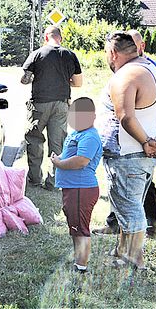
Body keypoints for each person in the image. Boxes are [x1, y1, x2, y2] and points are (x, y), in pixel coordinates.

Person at [92, 30, 156, 239]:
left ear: (113, 52)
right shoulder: (150, 69)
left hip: (128, 154)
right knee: (130, 205)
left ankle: (132, 256)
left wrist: (146, 141)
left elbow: (126, 117)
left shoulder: (127, 75)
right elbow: (151, 108)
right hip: (138, 153)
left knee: (131, 210)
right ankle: (123, 250)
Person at [21, 25, 83, 190]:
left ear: (46, 37)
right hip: (61, 105)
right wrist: (63, 79)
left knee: (34, 140)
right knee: (58, 144)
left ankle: (34, 179)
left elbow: (24, 79)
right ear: (60, 38)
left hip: (39, 105)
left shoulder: (37, 54)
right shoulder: (70, 55)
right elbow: (78, 83)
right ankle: (54, 182)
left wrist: (35, 76)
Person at [50, 97, 102, 273]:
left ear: (93, 116)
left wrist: (59, 163)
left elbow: (81, 161)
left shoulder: (90, 136)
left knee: (81, 228)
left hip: (82, 188)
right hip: (72, 188)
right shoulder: (77, 133)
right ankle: (77, 259)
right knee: (75, 226)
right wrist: (60, 157)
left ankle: (81, 267)